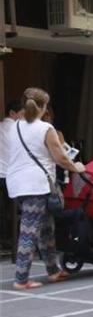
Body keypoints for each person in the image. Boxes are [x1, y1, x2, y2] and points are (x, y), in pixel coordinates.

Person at [5, 88, 85, 290]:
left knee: (46, 227)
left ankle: (53, 270)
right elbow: (60, 157)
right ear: (43, 107)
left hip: (17, 183)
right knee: (29, 231)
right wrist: (77, 167)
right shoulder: (45, 129)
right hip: (35, 184)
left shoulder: (14, 127)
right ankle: (21, 279)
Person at [1, 100, 24, 250]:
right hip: (10, 174)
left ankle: (3, 239)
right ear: (12, 113)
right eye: (21, 114)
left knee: (2, 210)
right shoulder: (17, 128)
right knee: (15, 210)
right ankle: (13, 241)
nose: (23, 117)